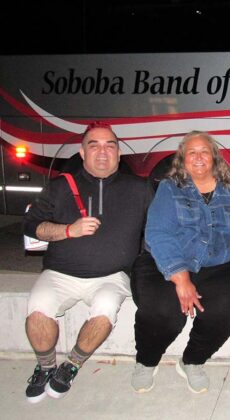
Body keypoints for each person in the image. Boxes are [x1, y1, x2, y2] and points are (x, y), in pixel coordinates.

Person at [23, 121, 154, 403]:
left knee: (105, 310)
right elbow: (31, 225)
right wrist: (68, 230)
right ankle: (45, 367)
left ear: (119, 153)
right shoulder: (61, 186)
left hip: (112, 276)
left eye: (110, 145)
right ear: (82, 153)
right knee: (37, 313)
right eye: (94, 146)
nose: (103, 152)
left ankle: (72, 364)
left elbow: (158, 230)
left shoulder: (140, 188)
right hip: (60, 273)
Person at [131, 131, 230, 394]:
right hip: (168, 260)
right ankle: (146, 360)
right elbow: (158, 233)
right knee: (163, 311)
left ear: (214, 157)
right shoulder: (169, 188)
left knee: (229, 308)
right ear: (182, 159)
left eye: (204, 152)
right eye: (192, 152)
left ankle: (193, 360)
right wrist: (181, 277)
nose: (198, 157)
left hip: (222, 261)